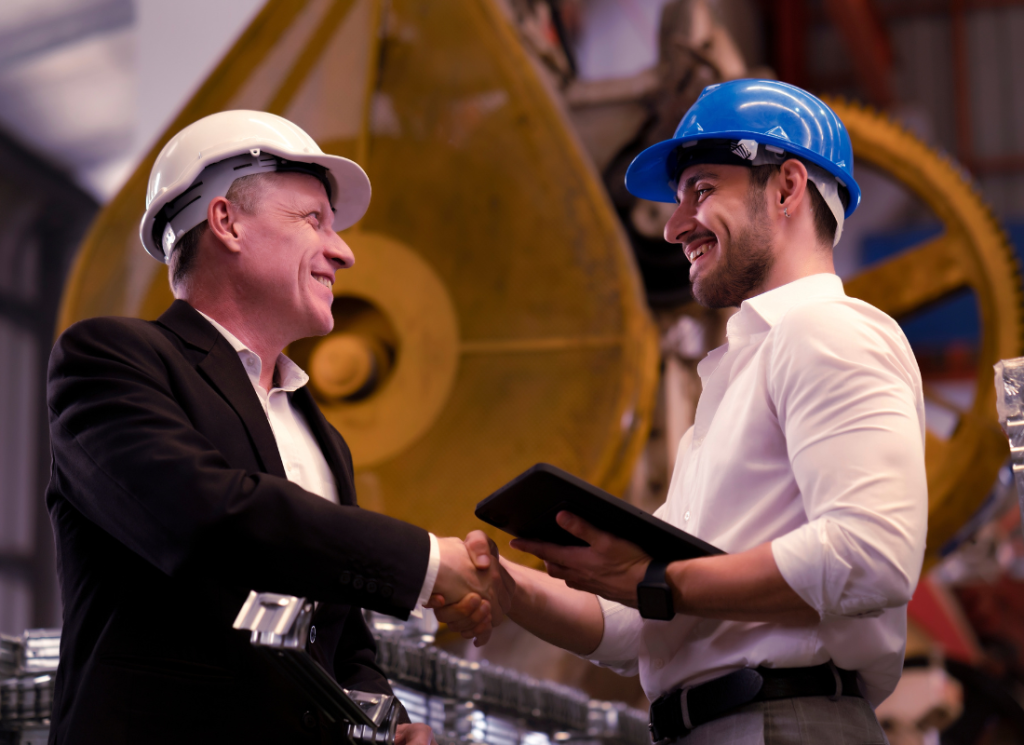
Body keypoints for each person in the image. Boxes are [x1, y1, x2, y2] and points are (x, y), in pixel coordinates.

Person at [437, 80, 928, 744]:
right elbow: (645, 619)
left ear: (787, 187)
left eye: (701, 189)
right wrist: (511, 591)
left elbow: (871, 555)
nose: (673, 226)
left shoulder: (829, 332)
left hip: (785, 723)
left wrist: (659, 576)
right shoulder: (740, 374)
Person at [45, 110, 509, 745]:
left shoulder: (320, 433)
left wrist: (386, 722)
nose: (343, 251)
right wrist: (427, 563)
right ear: (226, 223)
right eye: (313, 220)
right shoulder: (109, 360)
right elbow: (204, 520)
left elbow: (340, 638)